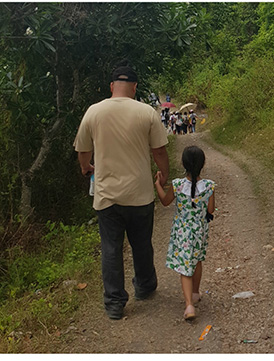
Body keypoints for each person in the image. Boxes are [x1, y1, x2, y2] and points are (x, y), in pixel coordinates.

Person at [74, 65, 170, 320]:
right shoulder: (146, 112)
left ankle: (115, 303)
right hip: (140, 193)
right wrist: (164, 174)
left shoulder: (94, 111)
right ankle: (145, 287)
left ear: (111, 86)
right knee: (141, 243)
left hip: (107, 197)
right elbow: (159, 150)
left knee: (110, 248)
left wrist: (87, 168)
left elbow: (83, 150)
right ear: (135, 87)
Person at [154, 145, 215, 321]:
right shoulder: (210, 186)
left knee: (184, 267)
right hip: (200, 231)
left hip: (182, 232)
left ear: (183, 163)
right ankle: (195, 293)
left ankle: (189, 305)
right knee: (196, 261)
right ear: (202, 164)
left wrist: (158, 184)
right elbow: (211, 210)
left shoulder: (177, 185)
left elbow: (165, 201)